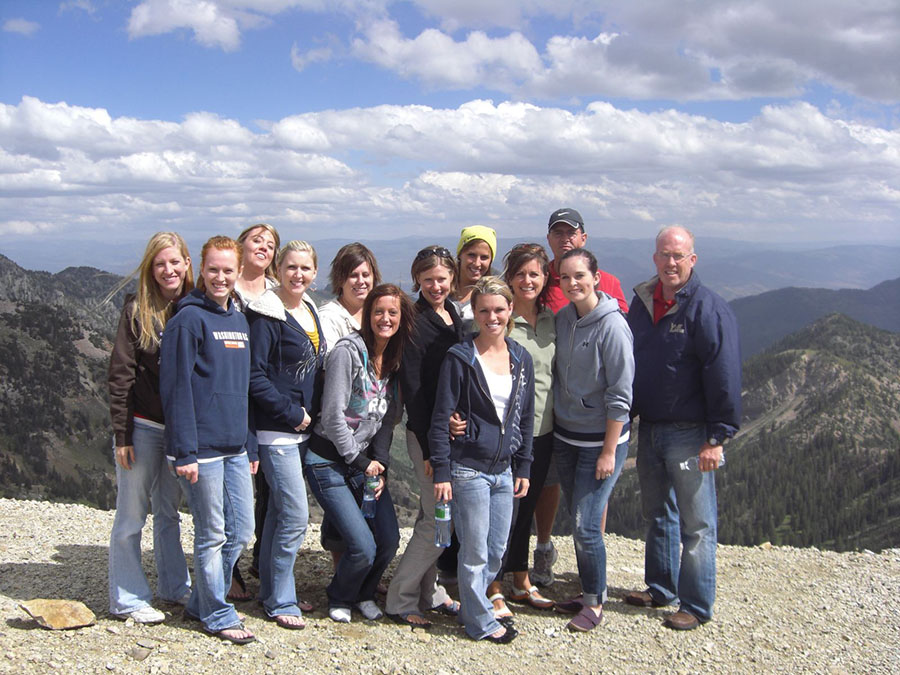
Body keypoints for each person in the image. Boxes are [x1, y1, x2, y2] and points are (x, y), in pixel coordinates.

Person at [624, 226, 741, 631]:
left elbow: (723, 374)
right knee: (657, 514)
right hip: (651, 427)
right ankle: (660, 589)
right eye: (664, 255)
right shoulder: (642, 304)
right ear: (654, 258)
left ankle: (695, 604)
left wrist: (718, 436)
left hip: (691, 433)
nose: (670, 263)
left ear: (693, 259)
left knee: (697, 524)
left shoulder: (708, 309)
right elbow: (633, 363)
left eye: (679, 255)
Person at [160, 235, 257, 644]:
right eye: (213, 269)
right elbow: (176, 388)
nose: (220, 277)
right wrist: (184, 451)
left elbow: (244, 387)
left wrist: (250, 443)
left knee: (241, 530)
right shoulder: (188, 319)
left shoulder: (237, 318)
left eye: (228, 270)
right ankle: (217, 613)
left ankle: (201, 602)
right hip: (200, 450)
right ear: (201, 269)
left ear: (239, 273)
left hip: (235, 447)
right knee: (212, 532)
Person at [430, 276, 534, 643]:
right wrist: (442, 470)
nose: (492, 317)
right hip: (468, 468)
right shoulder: (460, 358)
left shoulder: (521, 358)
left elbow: (524, 415)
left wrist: (524, 464)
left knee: (496, 549)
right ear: (473, 313)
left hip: (504, 469)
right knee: (474, 550)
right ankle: (479, 622)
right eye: (484, 310)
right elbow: (442, 417)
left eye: (499, 309)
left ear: (510, 311)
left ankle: (476, 607)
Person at [531, 207, 628, 588]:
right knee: (549, 483)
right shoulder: (539, 280)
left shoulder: (610, 287)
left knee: (588, 501)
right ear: (549, 239)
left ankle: (590, 561)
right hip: (554, 411)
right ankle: (544, 547)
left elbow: (619, 352)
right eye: (557, 233)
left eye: (571, 233)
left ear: (583, 239)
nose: (565, 238)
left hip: (590, 417)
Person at [305, 284, 413, 623]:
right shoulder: (347, 352)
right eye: (378, 311)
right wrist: (361, 462)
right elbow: (333, 416)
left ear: (401, 318)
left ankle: (364, 593)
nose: (385, 318)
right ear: (367, 316)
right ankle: (340, 595)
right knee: (362, 546)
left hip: (362, 463)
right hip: (328, 462)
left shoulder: (394, 358)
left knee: (389, 541)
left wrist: (378, 463)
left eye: (392, 313)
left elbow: (387, 420)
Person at [107, 232, 194, 624]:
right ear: (150, 268)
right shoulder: (135, 311)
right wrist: (122, 435)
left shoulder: (195, 307)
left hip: (178, 430)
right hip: (142, 426)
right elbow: (120, 375)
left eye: (175, 262)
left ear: (187, 263)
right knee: (131, 515)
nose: (168, 270)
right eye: (160, 263)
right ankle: (127, 597)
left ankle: (174, 586)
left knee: (169, 511)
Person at [550, 248, 634, 632]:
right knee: (578, 517)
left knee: (586, 525)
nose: (572, 283)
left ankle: (595, 603)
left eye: (579, 276)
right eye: (565, 277)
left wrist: (608, 451)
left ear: (596, 277)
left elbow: (621, 393)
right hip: (567, 435)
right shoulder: (564, 318)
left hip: (601, 440)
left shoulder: (613, 326)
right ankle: (587, 592)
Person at [245, 240, 325, 629]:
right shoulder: (266, 314)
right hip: (276, 431)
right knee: (295, 515)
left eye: (305, 268)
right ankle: (281, 598)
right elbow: (254, 375)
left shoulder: (308, 308)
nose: (298, 275)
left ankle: (270, 592)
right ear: (278, 269)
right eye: (291, 267)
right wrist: (292, 413)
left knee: (278, 513)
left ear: (314, 272)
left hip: (299, 430)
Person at [385, 246, 463, 627]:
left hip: (448, 435)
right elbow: (414, 388)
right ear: (417, 279)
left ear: (452, 278)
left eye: (442, 279)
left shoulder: (454, 315)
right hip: (427, 437)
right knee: (437, 519)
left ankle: (426, 591)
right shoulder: (415, 321)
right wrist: (434, 446)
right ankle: (400, 599)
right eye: (428, 279)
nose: (435, 285)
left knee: (428, 514)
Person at [483, 244, 556, 617]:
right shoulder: (500, 319)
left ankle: (520, 577)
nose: (528, 280)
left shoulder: (553, 320)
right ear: (509, 277)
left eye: (535, 274)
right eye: (521, 274)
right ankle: (492, 584)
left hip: (543, 431)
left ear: (545, 279)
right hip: (505, 434)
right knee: (502, 512)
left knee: (525, 508)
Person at [317, 243, 382, 568]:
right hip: (337, 429)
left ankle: (353, 566)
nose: (360, 281)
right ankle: (342, 568)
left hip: (366, 428)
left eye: (366, 274)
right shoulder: (331, 317)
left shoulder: (373, 313)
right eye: (352, 275)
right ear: (339, 279)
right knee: (341, 501)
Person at [232, 222, 281, 601]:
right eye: (256, 240)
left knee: (268, 491)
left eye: (270, 244)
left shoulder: (278, 294)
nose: (263, 247)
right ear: (241, 246)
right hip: (231, 398)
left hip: (267, 402)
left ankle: (260, 563)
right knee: (232, 493)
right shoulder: (224, 289)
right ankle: (228, 568)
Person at [453, 225, 497, 326]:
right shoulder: (441, 288)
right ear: (460, 254)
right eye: (471, 255)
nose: (477, 263)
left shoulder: (496, 293)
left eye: (484, 257)